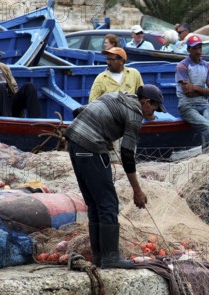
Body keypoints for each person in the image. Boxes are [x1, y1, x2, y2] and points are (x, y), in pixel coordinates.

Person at [65, 85, 165, 269]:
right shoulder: (135, 114)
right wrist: (137, 191)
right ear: (146, 102)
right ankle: (111, 258)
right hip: (90, 148)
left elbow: (79, 111)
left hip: (74, 145)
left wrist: (104, 134)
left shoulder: (117, 96)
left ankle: (99, 257)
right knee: (108, 203)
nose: (153, 112)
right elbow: (127, 155)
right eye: (155, 108)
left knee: (95, 203)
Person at [175, 34, 209, 150]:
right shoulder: (182, 66)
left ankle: (206, 157)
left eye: (200, 48)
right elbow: (188, 93)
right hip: (187, 106)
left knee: (207, 131)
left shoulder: (207, 66)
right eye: (194, 48)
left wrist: (195, 88)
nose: (198, 51)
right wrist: (204, 91)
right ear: (188, 49)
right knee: (208, 128)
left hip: (204, 105)